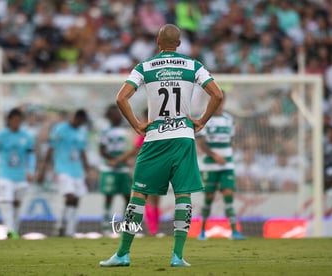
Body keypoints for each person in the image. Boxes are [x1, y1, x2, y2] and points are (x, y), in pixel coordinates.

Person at [100, 24, 223, 267]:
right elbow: (217, 95)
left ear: (158, 42)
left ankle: (123, 253)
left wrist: (136, 123)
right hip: (183, 137)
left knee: (138, 194)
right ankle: (178, 256)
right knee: (183, 194)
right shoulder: (193, 65)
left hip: (155, 138)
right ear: (179, 44)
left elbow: (120, 97)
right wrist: (201, 121)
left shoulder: (144, 67)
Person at [196, 92, 246, 240]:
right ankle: (203, 231)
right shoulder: (205, 118)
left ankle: (234, 231)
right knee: (209, 198)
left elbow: (231, 140)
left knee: (228, 194)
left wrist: (228, 154)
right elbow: (201, 143)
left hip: (227, 164)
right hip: (210, 165)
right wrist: (215, 155)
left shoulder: (229, 119)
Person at [39, 109, 90, 237]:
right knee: (70, 196)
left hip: (77, 170)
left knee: (76, 199)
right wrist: (43, 168)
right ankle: (60, 225)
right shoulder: (60, 129)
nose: (81, 123)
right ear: (76, 118)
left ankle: (68, 229)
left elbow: (83, 152)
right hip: (62, 168)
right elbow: (51, 148)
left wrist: (87, 170)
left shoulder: (82, 132)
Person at [0, 108, 36, 239]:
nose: (16, 123)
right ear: (9, 120)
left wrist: (31, 171)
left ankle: (14, 230)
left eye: (19, 120)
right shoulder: (1, 136)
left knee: (16, 204)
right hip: (4, 175)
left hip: (20, 176)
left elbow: (31, 156)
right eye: (14, 120)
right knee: (7, 203)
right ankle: (10, 231)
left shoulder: (26, 137)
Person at [99, 104, 131, 236]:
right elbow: (101, 150)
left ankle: (126, 225)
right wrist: (114, 159)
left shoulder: (126, 130)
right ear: (110, 116)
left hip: (123, 168)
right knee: (109, 196)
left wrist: (123, 160)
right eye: (115, 113)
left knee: (127, 196)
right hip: (110, 168)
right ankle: (106, 225)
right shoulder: (105, 131)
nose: (118, 115)